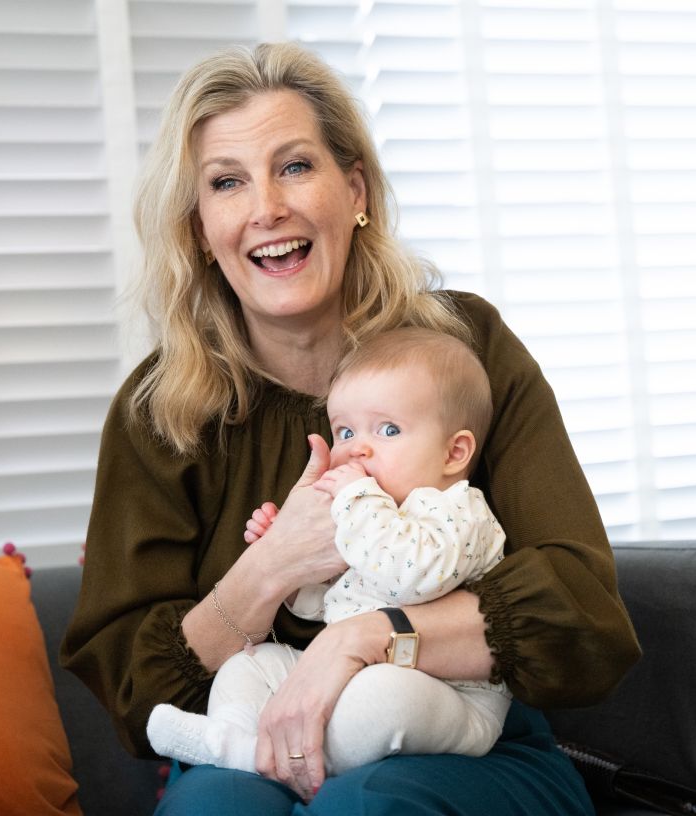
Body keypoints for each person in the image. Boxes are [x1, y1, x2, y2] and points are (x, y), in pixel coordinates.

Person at [60, 41, 641, 815]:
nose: (267, 207)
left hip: (462, 737)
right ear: (201, 229)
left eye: (295, 166)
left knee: (360, 807)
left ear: (355, 189)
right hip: (253, 750)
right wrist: (276, 564)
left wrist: (363, 638)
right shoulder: (160, 411)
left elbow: (582, 613)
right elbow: (139, 696)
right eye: (227, 182)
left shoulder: (466, 347)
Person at [146, 328, 513, 776]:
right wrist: (288, 563)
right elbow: (331, 606)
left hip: (451, 696)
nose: (357, 447)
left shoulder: (459, 512)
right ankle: (233, 736)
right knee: (252, 666)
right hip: (346, 677)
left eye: (388, 429)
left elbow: (414, 579)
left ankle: (257, 761)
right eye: (345, 430)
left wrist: (358, 501)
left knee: (382, 698)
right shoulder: (374, 517)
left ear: (454, 453)